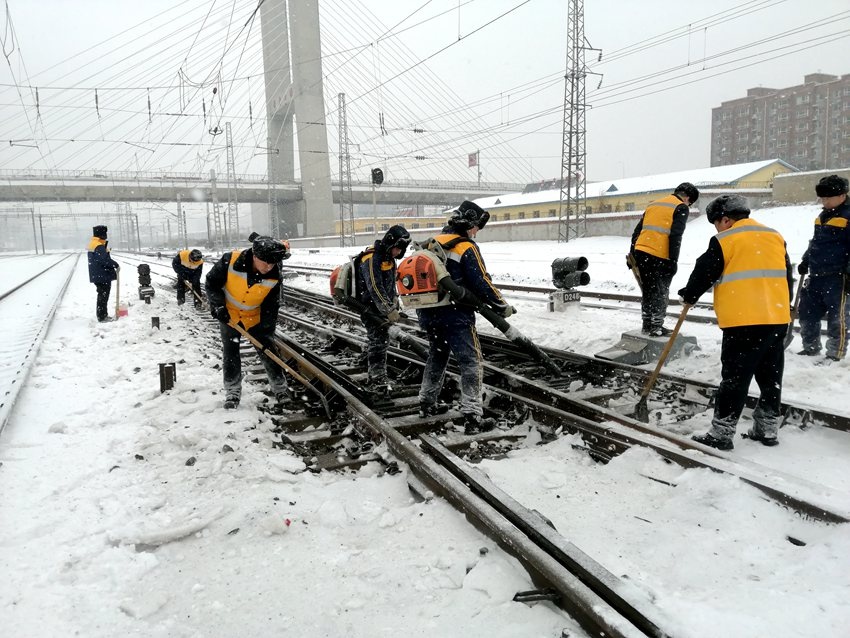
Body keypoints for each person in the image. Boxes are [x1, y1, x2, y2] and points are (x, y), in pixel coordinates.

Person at [678, 195, 792, 450]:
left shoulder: (726, 239)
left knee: (735, 379)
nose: (717, 228)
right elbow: (787, 275)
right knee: (770, 377)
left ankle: (721, 434)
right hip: (776, 318)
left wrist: (689, 294)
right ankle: (767, 429)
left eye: (716, 223)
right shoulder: (774, 236)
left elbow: (705, 270)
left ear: (726, 219)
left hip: (744, 322)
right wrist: (786, 308)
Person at [416, 201, 512, 435]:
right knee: (470, 362)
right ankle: (472, 416)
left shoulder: (433, 243)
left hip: (429, 312)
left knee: (437, 357)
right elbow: (481, 281)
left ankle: (427, 404)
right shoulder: (465, 247)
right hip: (456, 314)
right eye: (477, 227)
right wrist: (501, 304)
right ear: (470, 225)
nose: (477, 232)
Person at [205, 233, 291, 410]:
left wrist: (266, 329)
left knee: (268, 350)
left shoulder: (274, 273)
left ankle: (280, 389)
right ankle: (232, 391)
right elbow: (211, 283)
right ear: (254, 255)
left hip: (254, 316)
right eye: (266, 262)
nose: (269, 267)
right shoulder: (230, 261)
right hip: (230, 315)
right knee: (231, 352)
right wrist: (218, 307)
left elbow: (271, 304)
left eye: (273, 263)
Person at [628, 182, 700, 336]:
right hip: (659, 255)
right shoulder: (680, 207)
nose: (689, 204)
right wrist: (673, 261)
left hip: (641, 252)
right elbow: (676, 236)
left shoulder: (654, 204)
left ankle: (647, 324)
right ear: (687, 198)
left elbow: (637, 231)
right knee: (661, 292)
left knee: (648, 290)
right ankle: (656, 327)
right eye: (690, 202)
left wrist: (632, 254)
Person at [796, 174, 850, 362]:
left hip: (838, 275)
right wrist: (806, 260)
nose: (824, 201)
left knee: (838, 318)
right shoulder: (822, 216)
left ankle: (836, 353)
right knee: (807, 312)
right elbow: (816, 242)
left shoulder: (848, 216)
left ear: (842, 196)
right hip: (817, 273)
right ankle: (810, 347)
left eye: (828, 198)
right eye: (822, 198)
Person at [355, 225, 411, 393]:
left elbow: (390, 285)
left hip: (380, 306)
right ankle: (377, 376)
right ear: (389, 243)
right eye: (397, 248)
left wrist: (394, 303)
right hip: (369, 307)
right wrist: (388, 309)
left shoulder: (388, 259)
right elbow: (375, 287)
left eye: (400, 249)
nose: (398, 252)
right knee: (378, 341)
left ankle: (372, 365)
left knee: (381, 340)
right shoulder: (372, 258)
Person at [86, 225, 120, 323]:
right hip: (102, 275)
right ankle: (102, 317)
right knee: (103, 296)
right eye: (105, 233)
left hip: (98, 274)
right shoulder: (98, 245)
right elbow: (104, 260)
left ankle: (102, 315)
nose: (106, 235)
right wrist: (115, 264)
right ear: (101, 234)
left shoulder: (94, 243)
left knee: (102, 295)